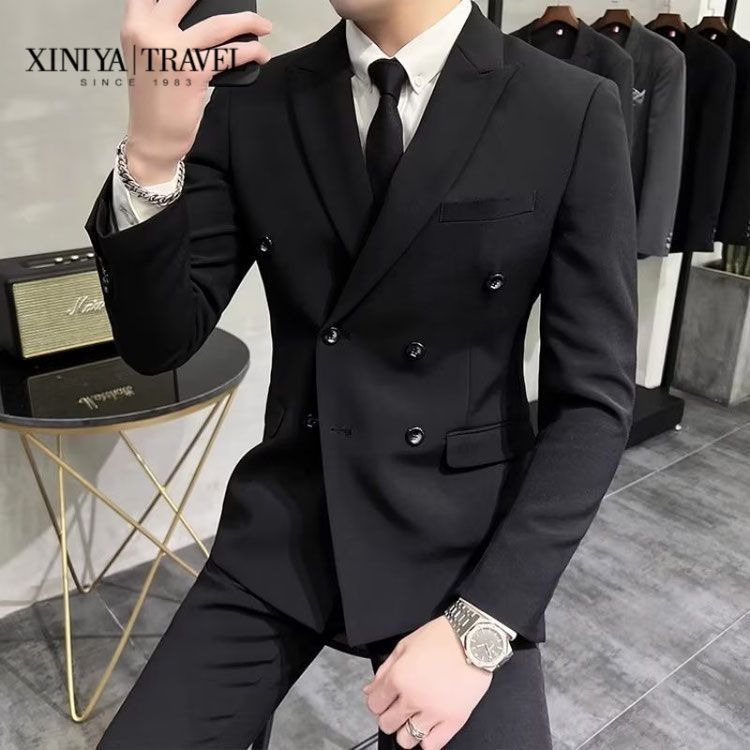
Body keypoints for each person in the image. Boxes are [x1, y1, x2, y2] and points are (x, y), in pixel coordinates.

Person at [85, 0, 638, 747]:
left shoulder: (565, 106)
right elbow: (158, 344)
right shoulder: (261, 100)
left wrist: (482, 624)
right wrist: (152, 155)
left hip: (460, 545)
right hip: (288, 523)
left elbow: (593, 404)